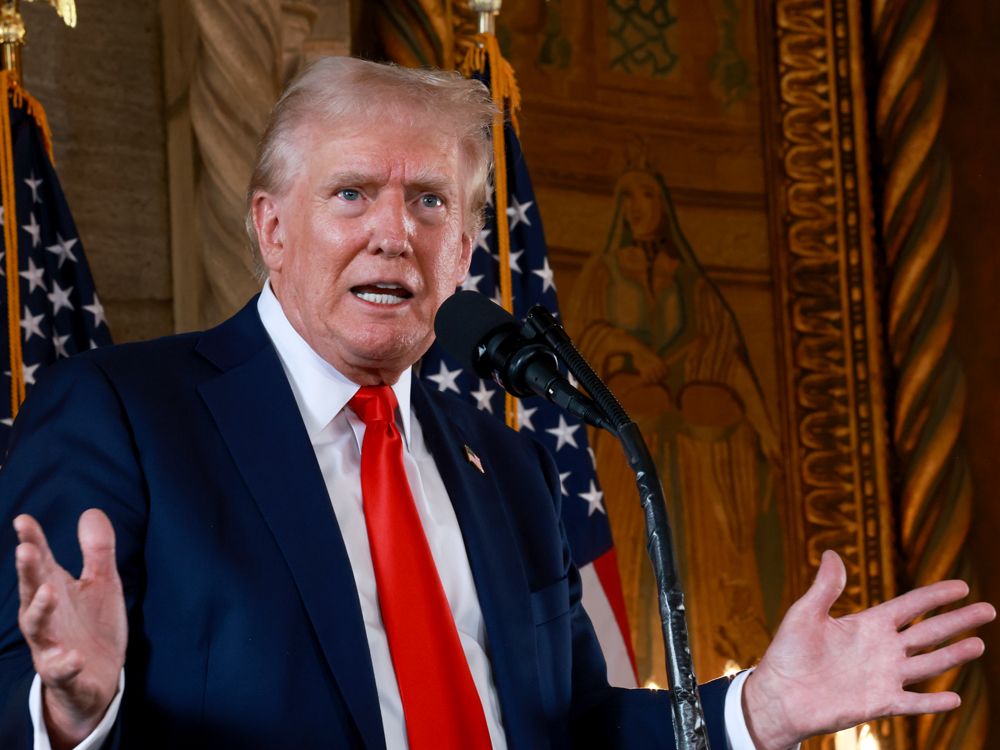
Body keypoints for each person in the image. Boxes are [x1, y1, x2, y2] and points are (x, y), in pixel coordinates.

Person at [0, 57, 993, 750]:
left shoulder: (507, 469)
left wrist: (757, 712)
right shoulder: (125, 416)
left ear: (466, 254)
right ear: (271, 227)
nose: (395, 232)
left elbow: (571, 731)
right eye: (352, 194)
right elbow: (18, 696)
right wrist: (76, 717)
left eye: (430, 202)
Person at [568, 160, 781, 684]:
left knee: (697, 560)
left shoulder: (691, 282)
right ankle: (630, 680)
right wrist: (624, 347)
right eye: (630, 197)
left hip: (689, 456)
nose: (639, 207)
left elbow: (725, 355)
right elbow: (576, 347)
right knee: (627, 553)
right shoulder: (602, 274)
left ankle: (708, 680)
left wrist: (766, 429)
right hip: (625, 452)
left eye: (648, 195)